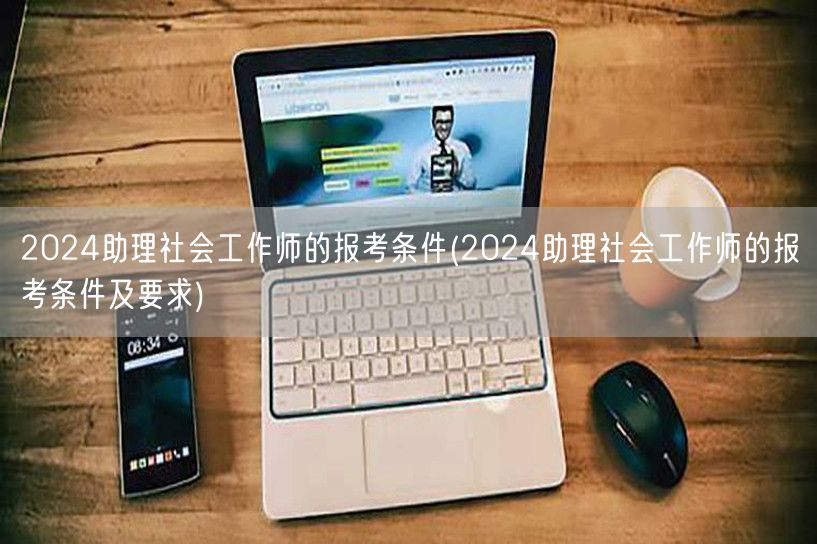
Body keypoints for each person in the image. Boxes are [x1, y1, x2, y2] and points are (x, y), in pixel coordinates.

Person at [407, 105, 476, 192]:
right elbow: (410, 186)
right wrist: (425, 197)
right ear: (433, 122)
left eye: (447, 122)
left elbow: (471, 185)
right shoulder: (422, 152)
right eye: (440, 122)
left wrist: (458, 174)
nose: (444, 127)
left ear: (452, 122)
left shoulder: (462, 149)